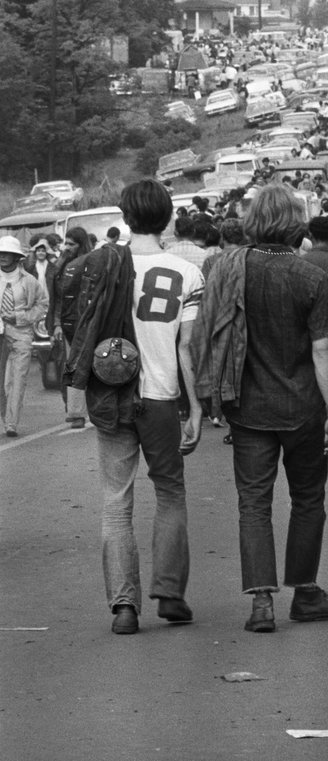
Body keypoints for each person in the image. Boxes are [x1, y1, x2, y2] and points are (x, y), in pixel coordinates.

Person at [191, 183, 328, 633]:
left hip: (247, 407)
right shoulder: (310, 277)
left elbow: (208, 331)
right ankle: (306, 591)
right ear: (295, 224)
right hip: (303, 406)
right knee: (308, 498)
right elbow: (325, 348)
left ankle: (262, 601)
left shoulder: (230, 268)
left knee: (254, 503)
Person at [66, 179, 203, 634]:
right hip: (161, 396)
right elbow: (186, 348)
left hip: (111, 394)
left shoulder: (101, 264)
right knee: (170, 492)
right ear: (168, 218)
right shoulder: (187, 273)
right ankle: (169, 591)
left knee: (116, 501)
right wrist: (196, 407)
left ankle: (124, 606)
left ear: (125, 217)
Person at [0, 236, 49, 437]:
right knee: (2, 381)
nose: (3, 257)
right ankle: (5, 415)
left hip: (21, 334)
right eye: (1, 253)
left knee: (18, 379)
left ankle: (11, 422)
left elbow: (42, 305)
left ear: (16, 257)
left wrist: (19, 316)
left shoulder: (29, 281)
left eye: (7, 253)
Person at [46, 227, 94, 428]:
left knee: (92, 367)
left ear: (81, 245)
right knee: (70, 367)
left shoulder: (91, 264)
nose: (67, 247)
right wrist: (57, 324)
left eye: (71, 244)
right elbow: (57, 298)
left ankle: (91, 411)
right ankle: (75, 413)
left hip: (88, 323)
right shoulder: (61, 265)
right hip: (67, 324)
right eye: (65, 243)